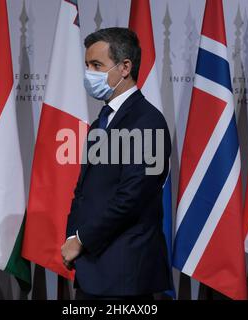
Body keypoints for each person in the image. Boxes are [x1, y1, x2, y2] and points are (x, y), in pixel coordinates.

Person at [61, 27, 172, 300]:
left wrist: (81, 239)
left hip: (124, 274)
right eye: (87, 65)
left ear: (125, 67)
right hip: (93, 268)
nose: (89, 73)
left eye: (97, 65)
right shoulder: (103, 118)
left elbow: (131, 198)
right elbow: (85, 190)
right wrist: (72, 239)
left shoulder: (148, 121)